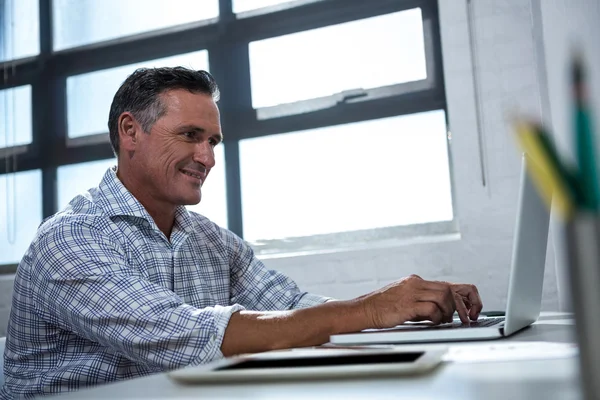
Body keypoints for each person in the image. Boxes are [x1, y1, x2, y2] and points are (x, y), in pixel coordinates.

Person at [0, 67, 482, 398]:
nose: (208, 158)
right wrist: (374, 308)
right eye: (190, 135)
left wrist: (409, 310)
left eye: (212, 141)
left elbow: (295, 309)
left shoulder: (214, 242)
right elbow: (189, 337)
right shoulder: (70, 241)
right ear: (130, 132)